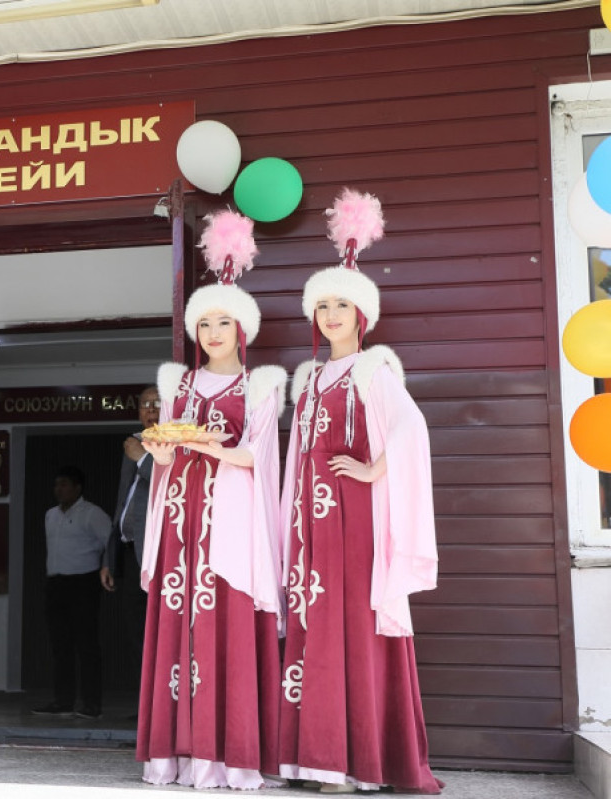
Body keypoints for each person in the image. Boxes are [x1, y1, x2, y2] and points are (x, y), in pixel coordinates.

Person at [278, 189, 442, 794]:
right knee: (313, 628)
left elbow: (411, 429)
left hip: (354, 523)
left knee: (350, 627)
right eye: (321, 305)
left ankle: (352, 762)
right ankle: (312, 758)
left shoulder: (375, 369)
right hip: (311, 527)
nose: (330, 314)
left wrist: (375, 471)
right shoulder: (308, 376)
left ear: (362, 314)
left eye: (341, 304)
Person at [136, 210, 285, 790]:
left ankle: (226, 757)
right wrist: (161, 452)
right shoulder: (178, 384)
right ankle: (172, 756)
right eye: (204, 323)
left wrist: (203, 444)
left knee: (224, 626)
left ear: (242, 328)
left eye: (224, 321)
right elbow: (167, 457)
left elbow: (256, 457)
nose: (214, 332)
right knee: (178, 623)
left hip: (229, 523)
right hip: (180, 520)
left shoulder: (261, 385)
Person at [33, 465, 111, 719]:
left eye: (65, 484)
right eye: (57, 484)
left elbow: (110, 543)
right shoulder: (50, 514)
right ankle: (63, 701)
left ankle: (92, 704)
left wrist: (107, 568)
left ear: (78, 488)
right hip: (56, 584)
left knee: (87, 645)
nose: (59, 489)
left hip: (83, 583)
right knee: (60, 645)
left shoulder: (92, 513)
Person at [100, 385, 160, 694]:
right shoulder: (133, 443)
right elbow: (121, 504)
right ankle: (145, 705)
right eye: (145, 405)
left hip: (156, 554)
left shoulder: (177, 443)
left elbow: (171, 485)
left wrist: (142, 459)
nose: (150, 410)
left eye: (157, 403)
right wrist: (108, 558)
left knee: (158, 632)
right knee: (135, 633)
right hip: (128, 552)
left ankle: (160, 707)